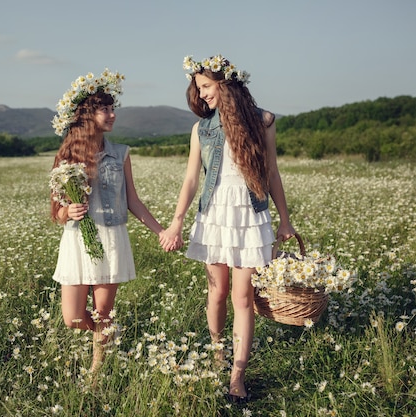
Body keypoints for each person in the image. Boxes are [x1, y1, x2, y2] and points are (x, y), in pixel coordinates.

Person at [160, 55, 296, 403]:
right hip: (214, 215)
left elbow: (272, 174)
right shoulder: (201, 129)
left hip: (250, 215)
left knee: (243, 298)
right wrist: (177, 221)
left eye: (205, 86)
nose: (201, 94)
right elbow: (191, 178)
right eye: (198, 88)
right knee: (217, 293)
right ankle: (219, 352)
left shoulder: (262, 121)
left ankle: (237, 376)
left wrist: (285, 220)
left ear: (225, 83)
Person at [50, 69, 167, 373]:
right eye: (105, 108)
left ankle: (96, 372)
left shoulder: (121, 154)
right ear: (87, 113)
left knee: (103, 312)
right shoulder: (67, 157)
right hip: (78, 241)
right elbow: (57, 211)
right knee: (73, 318)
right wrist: (69, 212)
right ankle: (108, 335)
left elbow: (133, 201)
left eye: (113, 108)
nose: (112, 114)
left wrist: (161, 231)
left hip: (111, 238)